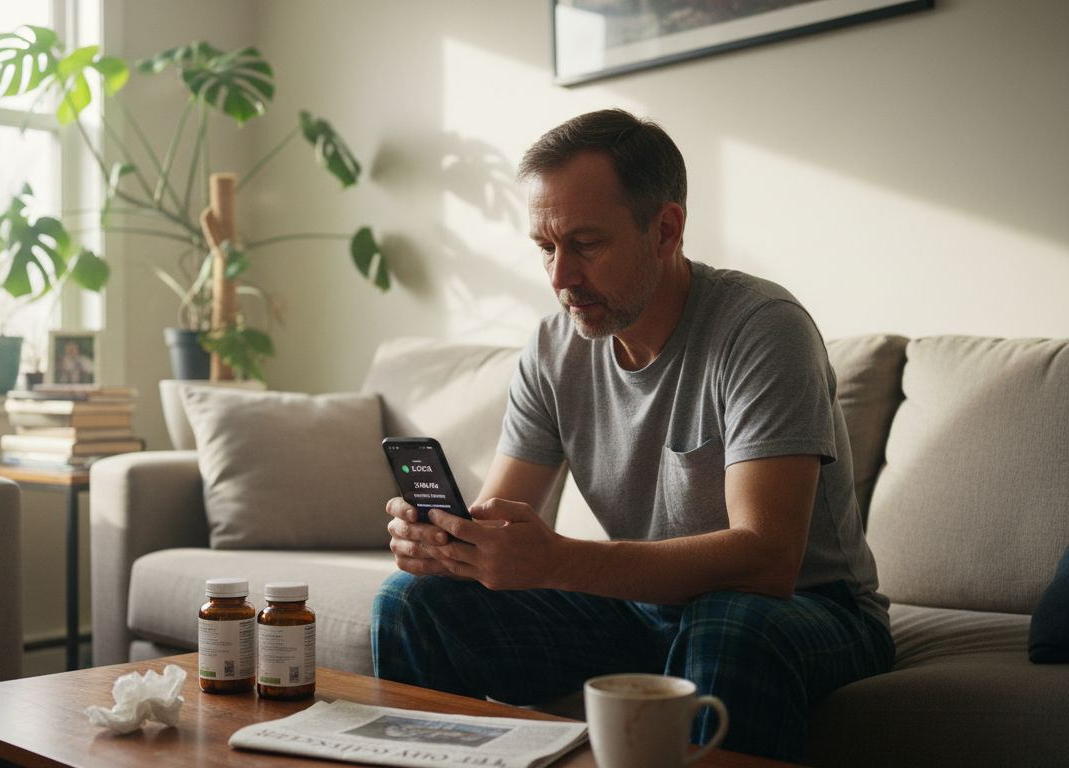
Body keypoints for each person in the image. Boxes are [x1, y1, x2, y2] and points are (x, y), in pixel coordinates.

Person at [371, 108, 894, 763]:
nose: (560, 276)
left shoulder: (763, 329)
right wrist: (451, 545)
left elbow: (768, 560)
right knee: (414, 600)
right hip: (642, 606)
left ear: (665, 229)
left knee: (727, 622)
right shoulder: (552, 348)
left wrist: (557, 559)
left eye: (585, 244)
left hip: (811, 609)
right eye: (545, 247)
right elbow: (504, 520)